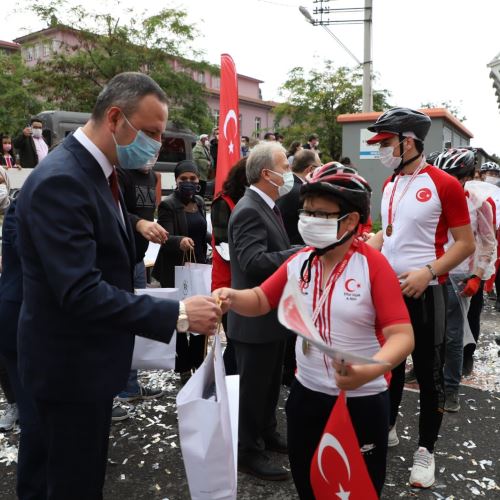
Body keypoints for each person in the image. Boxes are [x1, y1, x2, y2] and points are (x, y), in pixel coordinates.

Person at [15, 72, 220, 499]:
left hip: (85, 365)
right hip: (67, 372)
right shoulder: (63, 179)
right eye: (149, 132)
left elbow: (99, 229)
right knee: (64, 483)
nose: (156, 145)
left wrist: (137, 225)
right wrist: (179, 314)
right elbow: (80, 292)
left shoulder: (96, 171)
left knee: (77, 477)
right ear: (114, 117)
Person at [214, 165, 414, 498]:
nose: (308, 220)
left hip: (361, 399)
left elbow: (402, 336)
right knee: (309, 483)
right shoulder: (301, 261)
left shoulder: (373, 266)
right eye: (306, 212)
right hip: (307, 393)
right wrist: (232, 298)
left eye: (320, 214)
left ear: (350, 221)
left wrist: (370, 370)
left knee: (357, 488)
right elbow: (262, 299)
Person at [365, 107, 475, 489]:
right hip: (390, 293)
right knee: (390, 366)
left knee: (428, 375)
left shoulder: (445, 184)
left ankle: (426, 450)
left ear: (407, 141)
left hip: (427, 293)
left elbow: (465, 243)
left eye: (385, 143)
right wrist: (366, 248)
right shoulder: (392, 183)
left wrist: (428, 272)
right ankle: (389, 426)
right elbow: (389, 233)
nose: (381, 150)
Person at [226, 141, 297, 481]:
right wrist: (296, 254)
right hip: (253, 319)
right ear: (267, 173)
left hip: (271, 316)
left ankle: (266, 433)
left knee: (268, 387)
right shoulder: (249, 209)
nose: (290, 172)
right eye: (285, 166)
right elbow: (253, 263)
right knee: (251, 391)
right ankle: (247, 451)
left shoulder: (268, 205)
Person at [432, 149, 496, 413]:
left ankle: (450, 389)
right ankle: (430, 381)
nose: (449, 181)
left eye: (456, 176)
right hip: (430, 272)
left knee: (454, 336)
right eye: (444, 175)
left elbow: (488, 242)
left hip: (459, 276)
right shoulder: (430, 197)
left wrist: (477, 276)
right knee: (428, 333)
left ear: (470, 176)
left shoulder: (479, 202)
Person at [114, 162, 169, 413]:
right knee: (120, 322)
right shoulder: (121, 174)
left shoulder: (151, 178)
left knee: (133, 324)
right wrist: (138, 224)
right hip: (120, 259)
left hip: (138, 259)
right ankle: (115, 389)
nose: (154, 148)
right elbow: (113, 212)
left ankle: (130, 385)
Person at [153, 160, 210, 385]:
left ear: (198, 181)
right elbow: (164, 237)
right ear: (176, 181)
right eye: (183, 179)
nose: (188, 183)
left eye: (192, 179)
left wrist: (214, 241)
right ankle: (183, 366)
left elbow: (200, 230)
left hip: (198, 268)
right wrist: (180, 241)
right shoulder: (168, 205)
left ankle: (198, 361)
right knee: (180, 318)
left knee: (200, 317)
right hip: (175, 271)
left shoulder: (199, 202)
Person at [211, 158, 249, 375]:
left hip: (242, 280)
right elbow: (224, 248)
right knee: (235, 341)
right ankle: (225, 382)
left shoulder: (246, 201)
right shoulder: (222, 203)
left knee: (240, 341)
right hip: (228, 281)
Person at [277, 150, 321, 245]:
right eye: (319, 167)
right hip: (295, 249)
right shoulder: (304, 192)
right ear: (310, 169)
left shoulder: (282, 185)